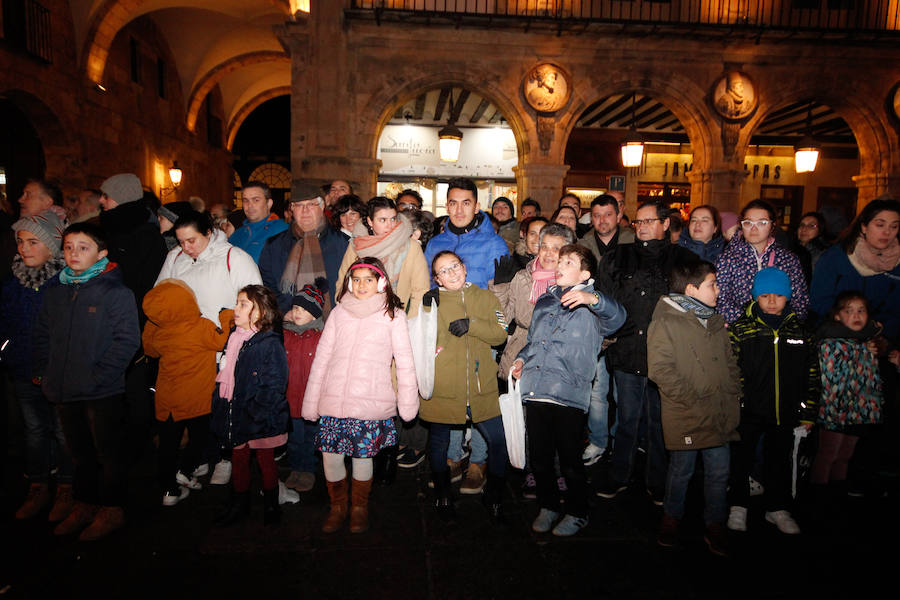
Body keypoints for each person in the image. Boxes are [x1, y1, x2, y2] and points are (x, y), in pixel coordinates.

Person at [33, 222, 140, 540]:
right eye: (68, 247)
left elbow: (127, 340)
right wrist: (44, 370)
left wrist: (99, 377)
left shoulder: (115, 292)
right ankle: (85, 503)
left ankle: (112, 508)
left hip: (99, 390)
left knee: (107, 451)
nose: (73, 253)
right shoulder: (56, 291)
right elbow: (41, 334)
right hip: (64, 387)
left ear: (101, 253)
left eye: (83, 247)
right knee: (78, 452)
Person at [513, 244, 625, 537]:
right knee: (539, 457)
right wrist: (522, 359)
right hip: (537, 389)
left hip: (569, 395)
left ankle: (578, 511)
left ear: (585, 273)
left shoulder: (593, 306)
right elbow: (534, 340)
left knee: (570, 459)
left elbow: (618, 319)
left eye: (569, 261)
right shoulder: (546, 301)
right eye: (560, 260)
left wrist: (593, 298)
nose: (560, 265)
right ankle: (548, 505)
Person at [302, 258, 418, 533]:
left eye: (368, 279)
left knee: (362, 457)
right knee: (330, 456)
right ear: (348, 283)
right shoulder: (339, 313)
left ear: (381, 282)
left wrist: (407, 401)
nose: (361, 285)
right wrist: (312, 401)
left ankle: (358, 507)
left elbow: (404, 362)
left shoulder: (393, 315)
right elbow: (322, 359)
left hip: (370, 400)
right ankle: (338, 505)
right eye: (356, 280)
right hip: (334, 399)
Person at [595, 200, 696, 503]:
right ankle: (619, 474)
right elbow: (605, 302)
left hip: (666, 355)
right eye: (638, 222)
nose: (643, 227)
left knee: (658, 421)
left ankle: (657, 481)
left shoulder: (684, 260)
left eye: (650, 221)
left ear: (666, 224)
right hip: (628, 350)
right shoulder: (618, 257)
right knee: (626, 419)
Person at [647, 259, 740, 556]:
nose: (718, 290)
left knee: (719, 471)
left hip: (718, 410)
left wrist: (732, 391)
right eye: (712, 284)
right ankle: (671, 518)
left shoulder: (713, 321)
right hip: (686, 411)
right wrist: (691, 396)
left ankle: (715, 523)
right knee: (681, 470)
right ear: (691, 290)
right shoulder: (666, 322)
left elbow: (729, 362)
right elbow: (660, 370)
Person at [423, 178, 509, 493]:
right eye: (453, 202)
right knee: (451, 395)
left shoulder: (494, 243)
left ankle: (479, 462)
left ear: (476, 205)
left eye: (466, 203)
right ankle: (453, 456)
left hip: (481, 334)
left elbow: (502, 293)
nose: (459, 209)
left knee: (481, 398)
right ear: (447, 205)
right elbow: (428, 283)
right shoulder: (435, 242)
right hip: (447, 336)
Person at [337, 196, 430, 474]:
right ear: (369, 221)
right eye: (382, 220)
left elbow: (420, 290)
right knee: (365, 393)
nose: (389, 225)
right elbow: (344, 285)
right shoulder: (357, 246)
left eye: (393, 219)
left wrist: (402, 323)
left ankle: (387, 456)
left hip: (396, 329)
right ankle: (365, 453)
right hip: (362, 332)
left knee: (392, 392)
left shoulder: (411, 246)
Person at [727, 268, 818, 535]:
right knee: (742, 458)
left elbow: (811, 373)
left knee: (779, 460)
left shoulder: (801, 331)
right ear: (756, 296)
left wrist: (808, 412)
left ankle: (777, 507)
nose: (771, 300)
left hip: (786, 412)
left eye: (778, 295)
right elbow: (733, 369)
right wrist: (739, 401)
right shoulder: (741, 329)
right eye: (765, 295)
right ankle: (738, 504)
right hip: (750, 410)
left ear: (787, 297)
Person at [421, 251, 509, 522]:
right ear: (436, 279)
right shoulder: (432, 302)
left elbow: (501, 333)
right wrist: (425, 310)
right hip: (445, 383)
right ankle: (443, 492)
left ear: (465, 268)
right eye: (443, 271)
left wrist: (473, 325)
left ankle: (494, 493)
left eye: (455, 266)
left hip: (481, 385)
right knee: (438, 442)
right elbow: (419, 339)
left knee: (499, 441)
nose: (452, 273)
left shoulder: (486, 298)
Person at [2, 210, 73, 521]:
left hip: (57, 373)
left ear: (52, 246)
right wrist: (7, 352)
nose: (24, 248)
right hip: (21, 369)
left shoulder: (64, 283)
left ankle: (68, 487)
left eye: (33, 242)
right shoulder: (13, 282)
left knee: (62, 431)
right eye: (20, 241)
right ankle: (38, 484)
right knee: (34, 430)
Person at [141, 280, 233, 506]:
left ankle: (169, 491)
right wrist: (226, 316)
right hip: (194, 398)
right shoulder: (199, 326)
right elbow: (222, 342)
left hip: (166, 399)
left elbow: (149, 350)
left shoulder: (160, 333)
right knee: (199, 438)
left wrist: (151, 325)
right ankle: (185, 470)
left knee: (168, 445)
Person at [211, 285, 289, 526]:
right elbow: (225, 374)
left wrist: (254, 414)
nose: (236, 308)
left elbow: (274, 385)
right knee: (239, 460)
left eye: (243, 304)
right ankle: (239, 503)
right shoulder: (234, 339)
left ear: (260, 312)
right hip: (236, 414)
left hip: (260, 418)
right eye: (237, 302)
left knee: (265, 461)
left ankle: (271, 505)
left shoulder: (269, 344)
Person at [810, 292, 884, 502]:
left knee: (845, 456)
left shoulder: (869, 342)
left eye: (861, 310)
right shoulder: (829, 343)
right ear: (837, 316)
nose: (856, 315)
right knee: (828, 454)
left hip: (859, 411)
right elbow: (829, 379)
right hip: (835, 410)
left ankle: (837, 494)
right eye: (849, 311)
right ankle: (818, 497)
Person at [578, 194, 634, 465]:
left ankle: (621, 442)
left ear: (619, 215)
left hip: (627, 326)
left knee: (622, 392)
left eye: (607, 215)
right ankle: (599, 440)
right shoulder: (582, 244)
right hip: (594, 326)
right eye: (596, 215)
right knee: (597, 391)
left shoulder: (632, 242)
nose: (602, 221)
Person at [810, 198, 900, 341]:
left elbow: (895, 311)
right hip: (836, 338)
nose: (887, 232)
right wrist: (851, 322)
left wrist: (883, 335)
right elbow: (818, 301)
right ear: (864, 226)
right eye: (880, 225)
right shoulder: (836, 257)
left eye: (894, 226)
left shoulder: (897, 265)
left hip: (881, 341)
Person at [259, 183, 349, 318]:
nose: (305, 211)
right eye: (299, 205)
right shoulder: (274, 245)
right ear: (292, 209)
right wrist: (284, 311)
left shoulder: (343, 244)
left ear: (322, 206)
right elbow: (267, 284)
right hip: (289, 327)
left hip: (333, 324)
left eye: (311, 204)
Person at [156, 211, 261, 324]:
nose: (186, 247)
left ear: (208, 233)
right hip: (182, 334)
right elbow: (158, 297)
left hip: (221, 336)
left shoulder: (235, 258)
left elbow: (256, 304)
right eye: (181, 242)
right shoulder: (174, 257)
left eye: (191, 241)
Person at [715, 199, 808, 325]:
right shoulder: (727, 259)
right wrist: (750, 323)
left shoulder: (788, 259)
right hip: (741, 331)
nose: (754, 229)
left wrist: (781, 322)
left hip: (780, 330)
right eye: (748, 223)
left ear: (772, 226)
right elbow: (721, 300)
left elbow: (800, 300)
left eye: (762, 223)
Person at [282, 285, 326, 493]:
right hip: (289, 398)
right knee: (294, 438)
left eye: (304, 308)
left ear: (315, 313)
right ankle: (295, 468)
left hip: (312, 400)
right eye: (296, 308)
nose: (298, 312)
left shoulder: (321, 337)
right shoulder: (285, 334)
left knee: (311, 438)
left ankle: (308, 469)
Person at [227, 182, 289, 263]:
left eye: (256, 200)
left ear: (269, 204)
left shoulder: (282, 231)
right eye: (245, 200)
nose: (250, 205)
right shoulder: (237, 234)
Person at [793, 211, 830, 277]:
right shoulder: (790, 248)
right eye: (802, 225)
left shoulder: (824, 254)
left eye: (811, 226)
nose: (804, 229)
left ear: (820, 230)